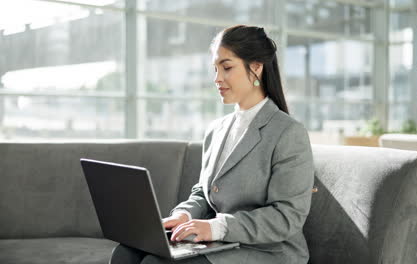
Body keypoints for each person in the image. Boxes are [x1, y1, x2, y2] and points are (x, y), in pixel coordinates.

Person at [110, 24, 314, 264]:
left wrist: (216, 227)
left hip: (268, 250)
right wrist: (185, 214)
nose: (217, 79)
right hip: (222, 243)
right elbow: (204, 192)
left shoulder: (288, 133)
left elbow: (286, 217)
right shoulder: (217, 130)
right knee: (126, 253)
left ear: (257, 67)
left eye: (226, 67)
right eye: (215, 69)